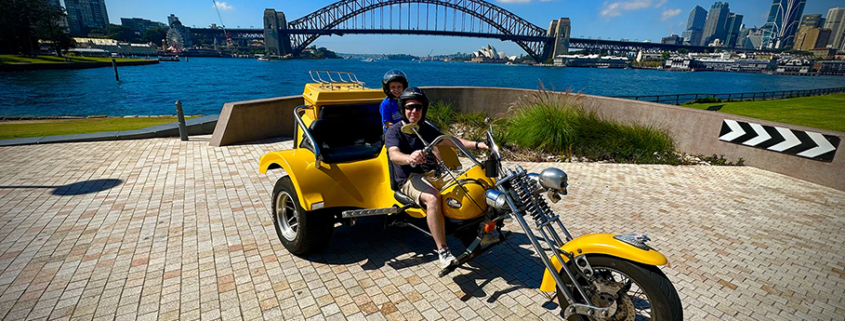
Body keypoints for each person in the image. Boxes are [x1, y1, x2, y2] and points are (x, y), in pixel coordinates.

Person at [384, 87, 489, 269]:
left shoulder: (426, 129)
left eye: (418, 107)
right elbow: (394, 154)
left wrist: (479, 145)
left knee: (467, 185)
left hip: (433, 174)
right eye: (410, 107)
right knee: (433, 198)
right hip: (410, 178)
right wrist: (409, 158)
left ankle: (471, 229)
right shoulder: (394, 132)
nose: (414, 111)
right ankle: (443, 251)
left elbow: (452, 141)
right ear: (403, 108)